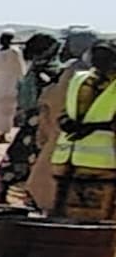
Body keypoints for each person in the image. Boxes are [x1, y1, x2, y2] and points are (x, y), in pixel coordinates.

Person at [46, 39, 116, 221]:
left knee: (100, 217)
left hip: (105, 165)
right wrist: (65, 121)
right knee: (67, 213)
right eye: (97, 55)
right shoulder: (79, 79)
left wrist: (94, 127)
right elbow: (67, 109)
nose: (100, 61)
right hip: (69, 159)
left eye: (106, 56)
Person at [0, 33, 65, 205]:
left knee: (20, 168)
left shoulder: (48, 73)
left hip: (38, 127)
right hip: (39, 126)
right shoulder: (50, 71)